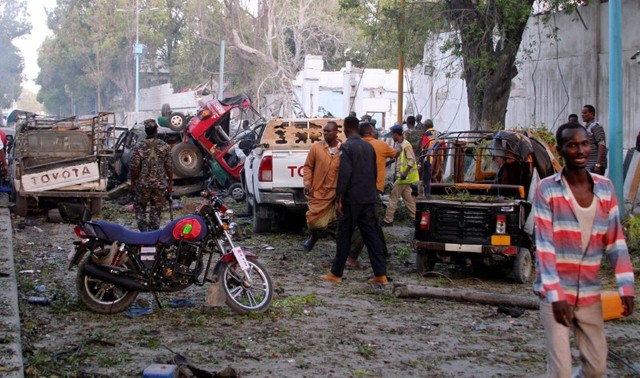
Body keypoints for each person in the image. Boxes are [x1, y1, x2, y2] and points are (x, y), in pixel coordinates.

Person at [533, 122, 635, 377]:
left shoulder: (605, 188)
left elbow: (616, 242)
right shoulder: (547, 189)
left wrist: (626, 287)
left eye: (584, 144)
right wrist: (556, 297)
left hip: (590, 294)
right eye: (572, 145)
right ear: (560, 151)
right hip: (554, 295)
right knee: (561, 371)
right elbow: (544, 248)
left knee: (596, 366)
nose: (580, 150)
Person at [321, 116, 388, 284]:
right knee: (371, 236)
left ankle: (336, 273)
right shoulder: (369, 147)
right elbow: (374, 172)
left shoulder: (347, 147)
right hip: (369, 197)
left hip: (352, 199)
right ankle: (380, 275)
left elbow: (344, 174)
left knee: (344, 236)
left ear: (345, 129)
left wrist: (339, 198)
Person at [346, 121, 397, 266]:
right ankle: (351, 256)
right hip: (372, 189)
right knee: (367, 223)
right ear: (369, 132)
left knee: (374, 222)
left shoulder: (353, 145)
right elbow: (396, 153)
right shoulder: (380, 145)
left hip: (355, 189)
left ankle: (382, 252)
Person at [302, 121, 341, 252]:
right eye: (324, 131)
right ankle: (315, 236)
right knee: (313, 220)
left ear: (336, 133)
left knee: (337, 221)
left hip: (335, 193)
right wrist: (307, 183)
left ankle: (340, 244)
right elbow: (308, 167)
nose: (325, 133)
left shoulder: (343, 150)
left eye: (328, 131)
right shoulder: (316, 148)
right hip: (318, 192)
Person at [130, 119, 173, 231]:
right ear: (156, 131)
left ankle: (144, 233)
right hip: (160, 185)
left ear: (146, 131)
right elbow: (169, 167)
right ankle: (153, 234)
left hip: (143, 184)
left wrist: (133, 181)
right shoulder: (165, 146)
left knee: (140, 208)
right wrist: (170, 182)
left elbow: (135, 167)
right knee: (156, 210)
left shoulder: (139, 147)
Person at [382, 125, 419, 226]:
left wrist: (405, 172)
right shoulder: (399, 144)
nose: (392, 137)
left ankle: (388, 220)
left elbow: (412, 159)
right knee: (408, 199)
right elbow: (398, 157)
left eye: (392, 135)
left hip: (403, 177)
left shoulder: (406, 145)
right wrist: (389, 162)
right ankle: (416, 218)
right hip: (403, 178)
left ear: (395, 134)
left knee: (393, 197)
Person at [581, 105, 607, 175]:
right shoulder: (587, 127)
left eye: (585, 113)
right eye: (582, 113)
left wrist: (598, 164)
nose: (582, 115)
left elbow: (602, 144)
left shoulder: (596, 126)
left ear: (592, 113)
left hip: (595, 165)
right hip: (589, 165)